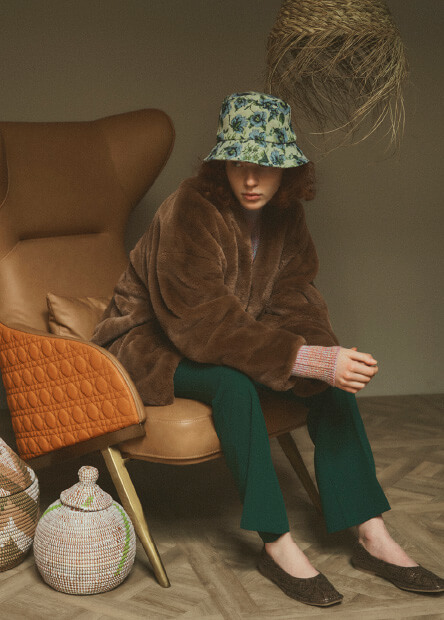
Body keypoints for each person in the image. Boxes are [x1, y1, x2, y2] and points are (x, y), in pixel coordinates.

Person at [92, 92, 444, 607]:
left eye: (266, 165)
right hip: (151, 345)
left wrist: (326, 360)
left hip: (231, 339)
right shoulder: (188, 208)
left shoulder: (286, 216)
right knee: (233, 386)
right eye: (239, 163)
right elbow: (201, 322)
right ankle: (276, 543)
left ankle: (372, 534)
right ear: (222, 164)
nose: (251, 179)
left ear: (288, 171)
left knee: (330, 385)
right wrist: (309, 359)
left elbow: (296, 300)